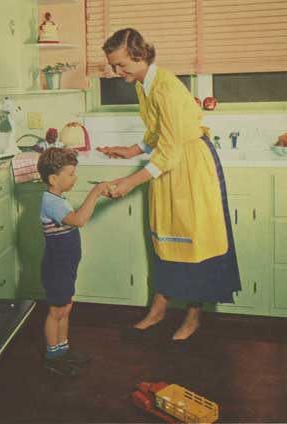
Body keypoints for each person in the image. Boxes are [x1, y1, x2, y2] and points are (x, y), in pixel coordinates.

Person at [98, 28, 241, 347]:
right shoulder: (143, 84)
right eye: (113, 66)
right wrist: (132, 150)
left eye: (121, 65)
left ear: (140, 55)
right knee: (165, 237)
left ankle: (193, 313)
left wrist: (129, 181)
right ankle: (160, 308)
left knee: (195, 240)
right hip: (168, 167)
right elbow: (156, 130)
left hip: (190, 166)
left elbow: (171, 150)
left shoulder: (167, 89)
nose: (116, 72)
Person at [37, 147, 109, 376]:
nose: (74, 177)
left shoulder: (57, 198)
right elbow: (79, 220)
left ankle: (63, 350)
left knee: (65, 308)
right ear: (53, 178)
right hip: (57, 268)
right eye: (70, 174)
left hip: (65, 266)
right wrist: (95, 192)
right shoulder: (52, 202)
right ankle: (52, 356)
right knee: (56, 311)